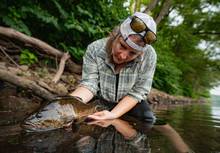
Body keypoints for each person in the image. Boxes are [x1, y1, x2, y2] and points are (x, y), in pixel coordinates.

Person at [70, 12, 157, 123]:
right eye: (122, 45)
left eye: (132, 53)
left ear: (140, 54)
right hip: (100, 99)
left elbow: (139, 90)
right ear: (115, 35)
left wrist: (113, 114)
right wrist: (68, 104)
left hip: (129, 101)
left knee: (148, 119)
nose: (123, 56)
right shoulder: (94, 48)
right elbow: (89, 85)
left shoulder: (149, 56)